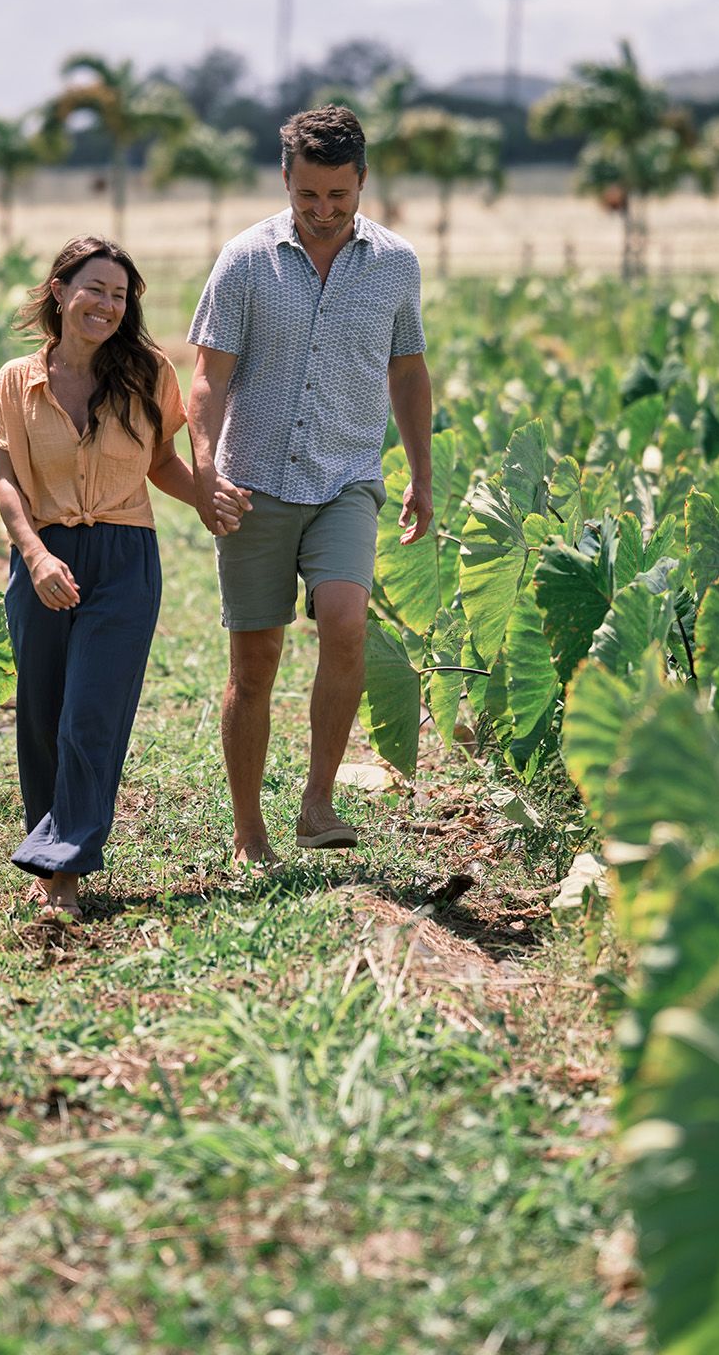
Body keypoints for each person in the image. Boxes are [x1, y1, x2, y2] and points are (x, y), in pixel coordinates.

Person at [184, 106, 434, 871]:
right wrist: (204, 469)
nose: (324, 213)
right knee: (253, 665)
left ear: (362, 182)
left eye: (340, 197)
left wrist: (423, 473)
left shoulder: (396, 264)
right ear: (286, 181)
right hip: (256, 481)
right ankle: (248, 830)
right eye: (308, 198)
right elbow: (208, 377)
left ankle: (319, 800)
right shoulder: (245, 260)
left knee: (346, 622)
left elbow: (408, 370)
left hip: (347, 478)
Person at [0, 236, 244, 918]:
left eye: (120, 296)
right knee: (41, 716)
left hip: (126, 558)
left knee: (90, 716)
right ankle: (48, 852)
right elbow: (7, 481)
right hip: (43, 557)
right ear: (61, 290)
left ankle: (63, 871)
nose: (107, 304)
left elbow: (160, 461)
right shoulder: (17, 378)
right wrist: (35, 556)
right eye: (94, 288)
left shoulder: (148, 372)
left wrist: (207, 500)